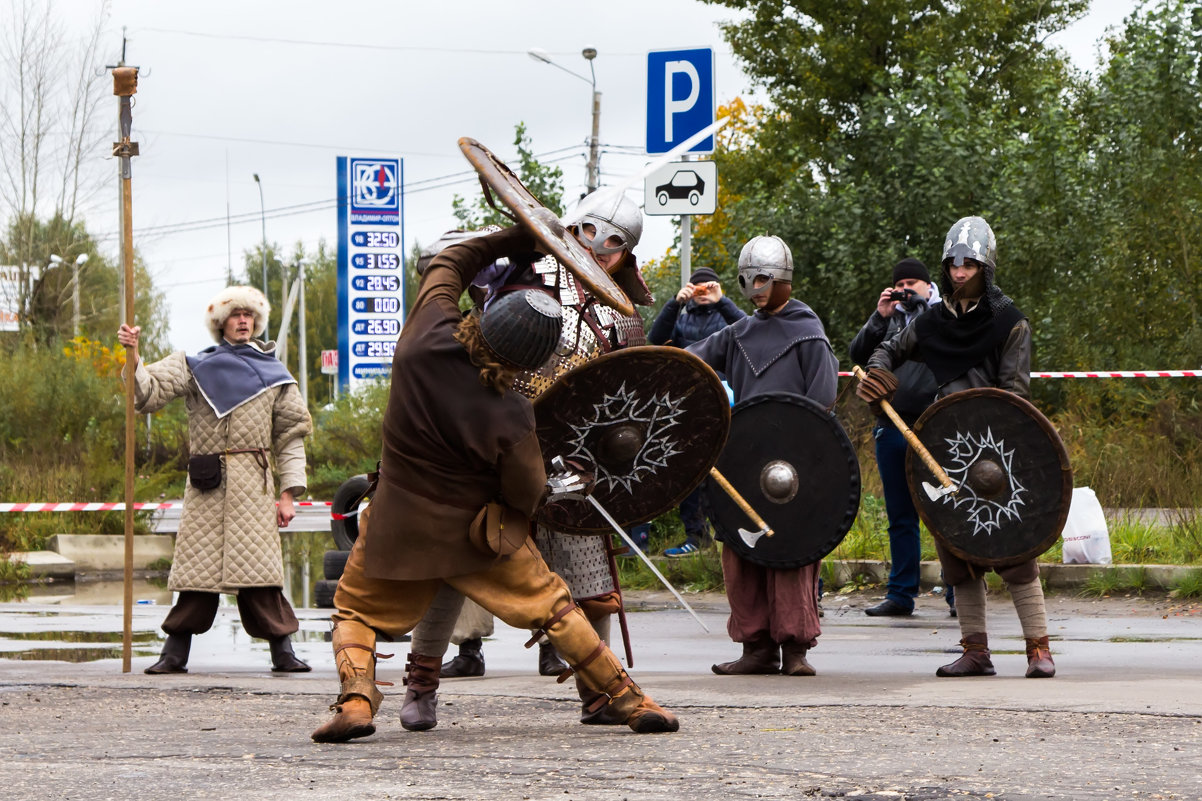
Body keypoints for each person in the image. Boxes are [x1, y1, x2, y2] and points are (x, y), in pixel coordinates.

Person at [310, 221, 678, 743]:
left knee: (355, 610)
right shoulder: (511, 412)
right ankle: (628, 699)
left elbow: (450, 262)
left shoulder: (423, 336)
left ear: (485, 316)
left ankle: (355, 701)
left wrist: (522, 236)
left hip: (396, 523)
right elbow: (527, 492)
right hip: (476, 535)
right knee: (553, 607)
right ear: (529, 359)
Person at [422, 192, 654, 710]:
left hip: (575, 458)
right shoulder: (520, 276)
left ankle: (597, 693)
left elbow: (630, 397)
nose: (599, 248)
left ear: (627, 253)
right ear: (574, 228)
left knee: (590, 582)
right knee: (454, 564)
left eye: (615, 243)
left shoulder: (625, 315)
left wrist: (605, 459)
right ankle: (421, 688)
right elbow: (475, 350)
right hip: (499, 443)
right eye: (591, 233)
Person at [857, 215, 1055, 679]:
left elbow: (1015, 396)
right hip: (946, 451)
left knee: (1016, 549)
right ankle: (976, 650)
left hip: (999, 450)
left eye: (969, 264)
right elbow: (886, 349)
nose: (960, 272)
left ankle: (1038, 648)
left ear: (985, 267)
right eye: (953, 264)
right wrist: (880, 376)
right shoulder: (931, 322)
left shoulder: (1010, 322)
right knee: (957, 551)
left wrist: (1001, 444)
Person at [116, 286, 313, 674]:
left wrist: (288, 494)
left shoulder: (276, 374)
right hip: (207, 485)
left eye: (249, 315)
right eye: (235, 315)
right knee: (196, 574)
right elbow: (147, 393)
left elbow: (290, 438)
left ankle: (283, 651)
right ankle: (173, 654)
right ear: (221, 323)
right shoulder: (194, 366)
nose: (244, 321)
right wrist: (134, 355)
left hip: (253, 487)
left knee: (260, 574)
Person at [686, 235, 839, 677]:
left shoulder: (808, 331)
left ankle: (794, 650)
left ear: (783, 280)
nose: (754, 288)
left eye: (763, 279)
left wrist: (805, 453)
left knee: (790, 552)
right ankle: (755, 647)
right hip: (744, 460)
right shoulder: (737, 333)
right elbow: (689, 361)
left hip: (795, 464)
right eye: (747, 279)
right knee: (741, 551)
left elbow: (823, 399)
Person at [848, 258, 946, 617]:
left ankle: (958, 594)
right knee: (900, 514)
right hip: (891, 423)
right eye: (900, 283)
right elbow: (857, 354)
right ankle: (901, 594)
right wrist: (880, 316)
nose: (906, 288)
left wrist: (922, 311)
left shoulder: (945, 311)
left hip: (936, 423)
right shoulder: (890, 316)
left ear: (928, 285)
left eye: (912, 283)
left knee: (944, 511)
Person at [648, 266, 746, 557]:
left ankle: (730, 533)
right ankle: (696, 535)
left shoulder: (726, 316)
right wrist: (674, 303)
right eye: (698, 287)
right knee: (691, 467)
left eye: (709, 286)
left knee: (730, 465)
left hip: (727, 399)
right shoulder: (682, 317)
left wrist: (722, 301)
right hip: (690, 399)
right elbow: (656, 338)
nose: (703, 291)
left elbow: (749, 329)